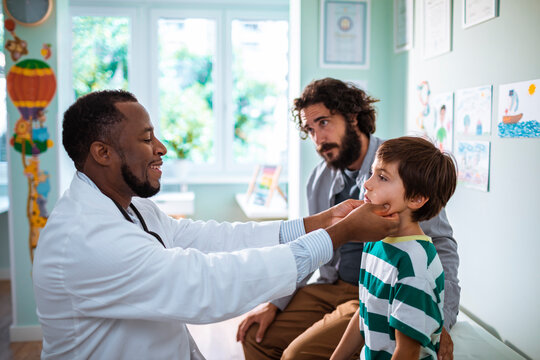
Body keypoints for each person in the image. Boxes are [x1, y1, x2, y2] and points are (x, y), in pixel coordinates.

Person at [32, 90, 399, 360]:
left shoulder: (131, 207)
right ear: (102, 153)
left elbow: (206, 238)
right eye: (146, 138)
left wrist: (310, 225)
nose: (161, 147)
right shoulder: (85, 239)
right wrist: (338, 234)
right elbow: (208, 283)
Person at [238, 78, 460, 360]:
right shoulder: (318, 179)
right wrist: (276, 302)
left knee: (297, 354)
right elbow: (310, 243)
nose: (317, 139)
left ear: (353, 118)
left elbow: (441, 248)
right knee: (255, 336)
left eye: (323, 123)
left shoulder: (401, 168)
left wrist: (442, 320)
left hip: (377, 289)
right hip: (331, 283)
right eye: (310, 129)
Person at [330, 136, 456, 359]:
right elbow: (366, 309)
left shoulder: (414, 265)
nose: (367, 184)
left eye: (382, 177)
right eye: (371, 173)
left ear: (416, 198)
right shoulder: (375, 240)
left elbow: (406, 352)